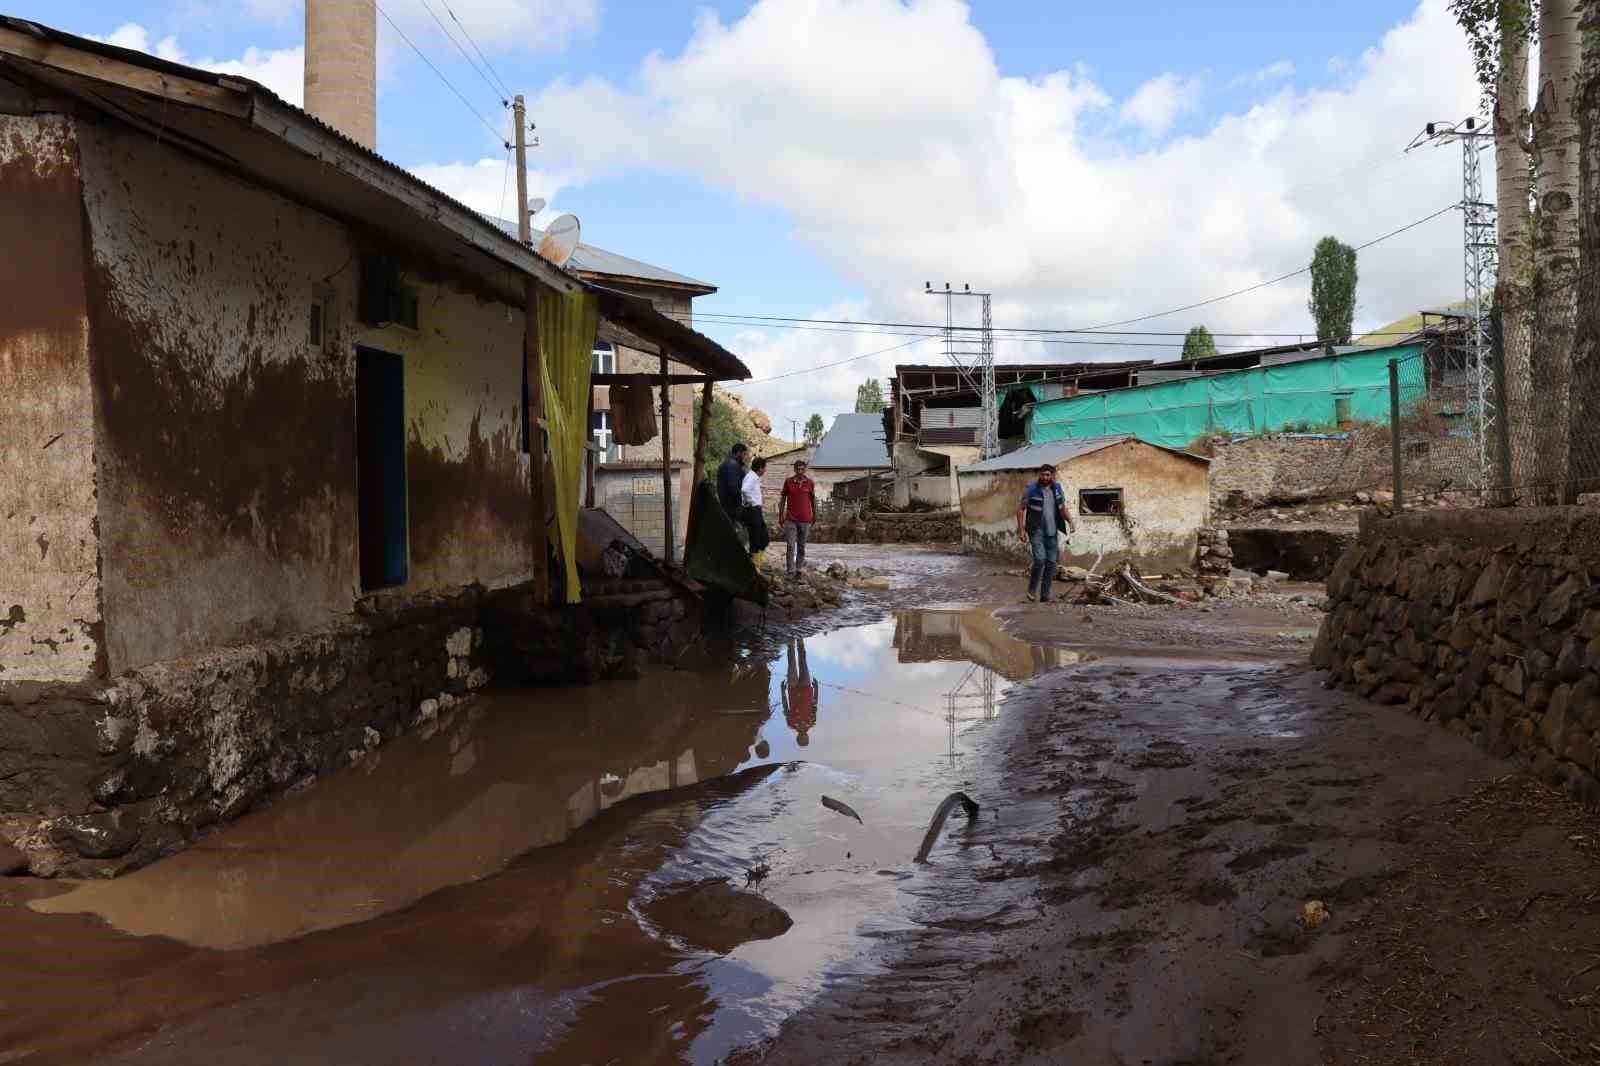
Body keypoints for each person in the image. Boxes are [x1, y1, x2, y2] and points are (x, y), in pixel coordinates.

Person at [1015, 462, 1075, 603]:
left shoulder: (1057, 489)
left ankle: (1045, 594)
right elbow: (1020, 509)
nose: (1045, 477)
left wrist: (1070, 521)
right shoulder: (1032, 490)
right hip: (1036, 531)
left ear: (1052, 476)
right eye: (1043, 474)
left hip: (1052, 531)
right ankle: (1031, 590)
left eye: (1048, 474)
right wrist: (1021, 530)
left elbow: (1062, 508)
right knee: (1040, 559)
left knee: (1051, 563)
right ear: (1039, 475)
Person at [778, 458, 817, 577]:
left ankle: (799, 568)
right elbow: (783, 498)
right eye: (798, 469)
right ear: (794, 469)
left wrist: (815, 515)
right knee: (790, 545)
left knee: (801, 545)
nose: (800, 471)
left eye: (802, 469)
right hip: (790, 519)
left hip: (805, 520)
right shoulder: (788, 482)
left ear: (804, 470)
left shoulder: (810, 483)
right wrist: (781, 516)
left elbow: (813, 500)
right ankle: (790, 569)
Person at [781, 637, 819, 746]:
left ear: (797, 738)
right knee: (803, 662)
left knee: (791, 663)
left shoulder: (791, 724)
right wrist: (816, 688)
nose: (803, 737)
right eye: (805, 739)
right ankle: (800, 640)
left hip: (792, 688)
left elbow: (785, 706)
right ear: (808, 737)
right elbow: (814, 705)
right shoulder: (812, 722)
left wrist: (782, 691)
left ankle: (790, 641)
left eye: (801, 740)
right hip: (807, 687)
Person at [742, 456, 771, 568]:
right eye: (764, 468)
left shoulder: (754, 477)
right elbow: (744, 490)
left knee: (763, 539)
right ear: (760, 468)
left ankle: (757, 563)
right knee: (756, 539)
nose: (765, 470)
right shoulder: (752, 477)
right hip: (752, 510)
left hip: (755, 510)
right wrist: (753, 503)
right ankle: (755, 567)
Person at [717, 442, 750, 534]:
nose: (744, 457)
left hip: (728, 507)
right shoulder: (732, 465)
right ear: (738, 453)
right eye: (744, 454)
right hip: (734, 508)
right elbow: (734, 488)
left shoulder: (726, 464)